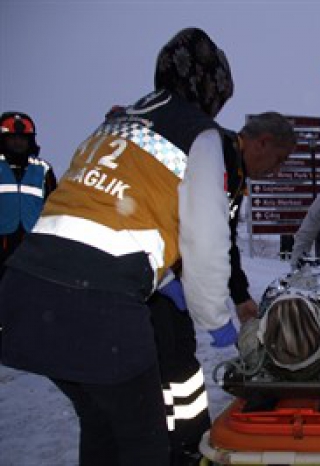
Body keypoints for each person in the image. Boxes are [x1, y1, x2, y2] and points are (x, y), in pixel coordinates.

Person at [0, 28, 236, 466]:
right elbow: (205, 239)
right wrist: (215, 316)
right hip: (97, 308)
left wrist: (161, 277)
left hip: (25, 292)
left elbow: (108, 214)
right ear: (212, 89)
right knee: (142, 441)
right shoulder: (199, 134)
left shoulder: (115, 123)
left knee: (102, 425)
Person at [150, 113, 296, 465]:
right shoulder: (215, 157)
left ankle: (185, 443)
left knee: (179, 363)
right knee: (168, 371)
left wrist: (241, 296)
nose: (275, 172)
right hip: (151, 277)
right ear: (262, 142)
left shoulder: (234, 173)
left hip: (164, 276)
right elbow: (207, 240)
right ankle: (177, 448)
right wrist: (214, 315)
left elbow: (227, 240)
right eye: (277, 160)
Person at [0, 112, 57, 352]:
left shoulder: (42, 170)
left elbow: (54, 205)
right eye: (12, 137)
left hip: (32, 245)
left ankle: (31, 343)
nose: (18, 142)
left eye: (23, 138)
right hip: (2, 243)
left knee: (30, 294)